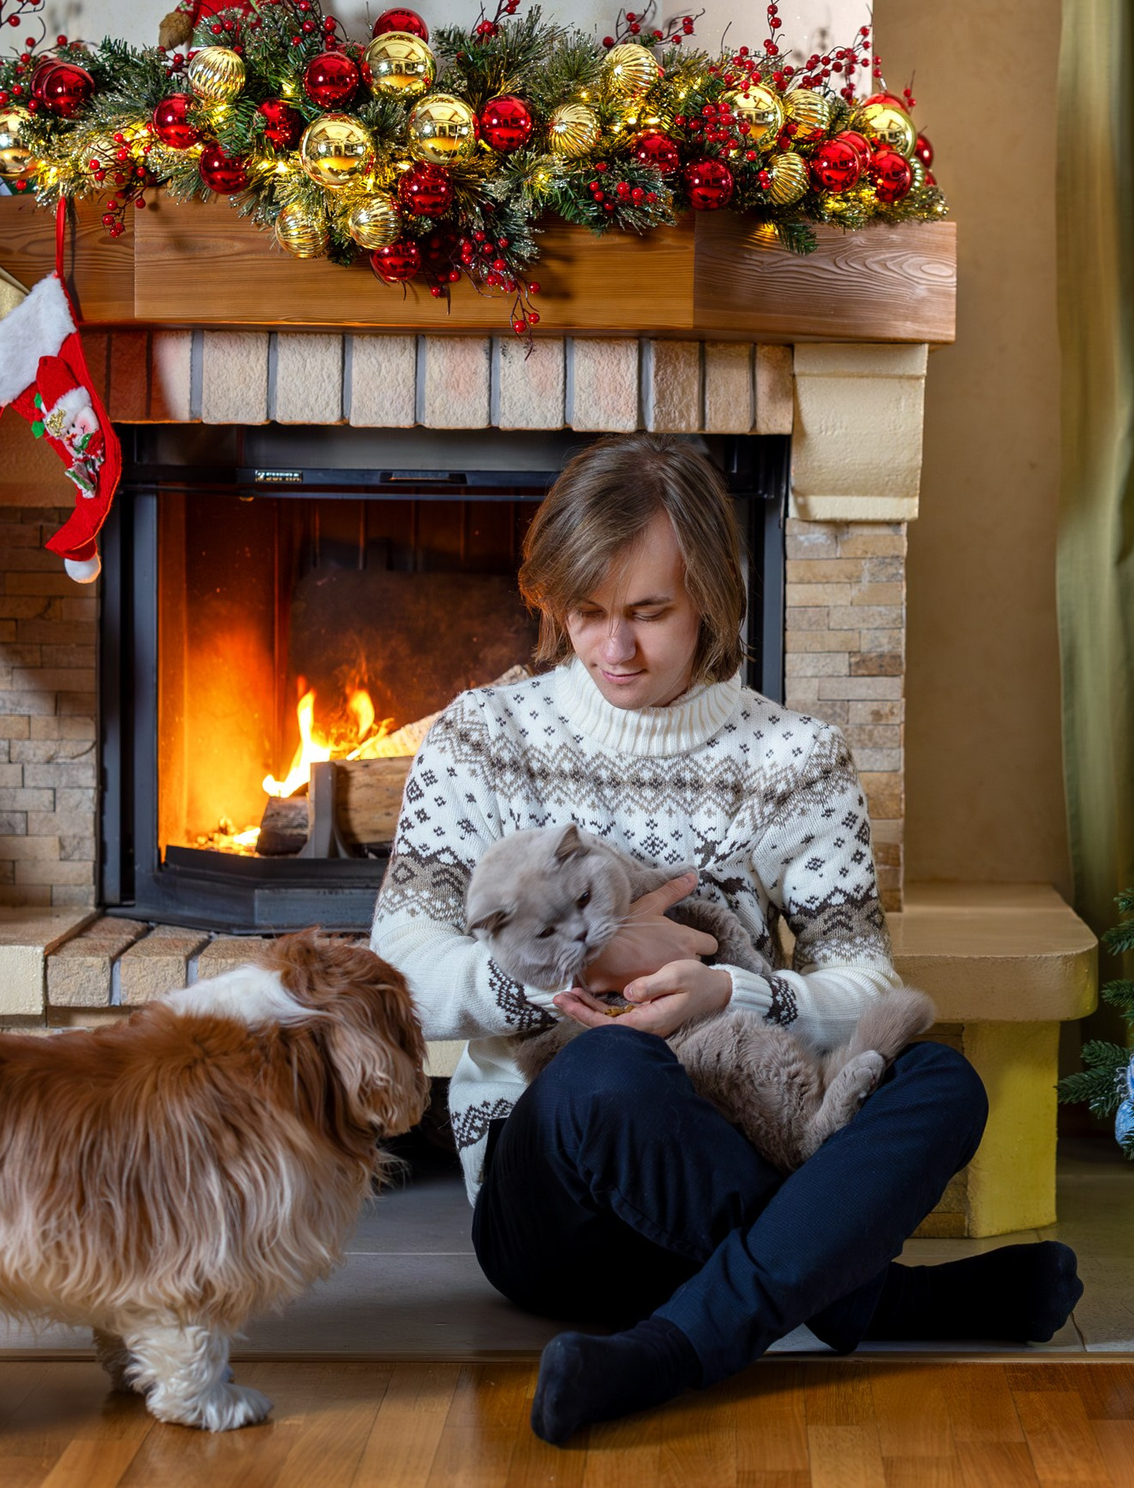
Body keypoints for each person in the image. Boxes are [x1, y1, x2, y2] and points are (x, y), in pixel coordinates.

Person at [372, 435, 1081, 1443]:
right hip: (556, 1207)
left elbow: (859, 978)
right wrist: (584, 963)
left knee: (940, 1080)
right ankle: (872, 1300)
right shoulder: (484, 737)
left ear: (708, 596)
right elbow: (397, 970)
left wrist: (730, 997)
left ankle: (665, 1354)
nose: (613, 648)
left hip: (743, 1136)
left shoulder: (791, 758)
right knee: (606, 1074)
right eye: (587, 614)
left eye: (648, 613)